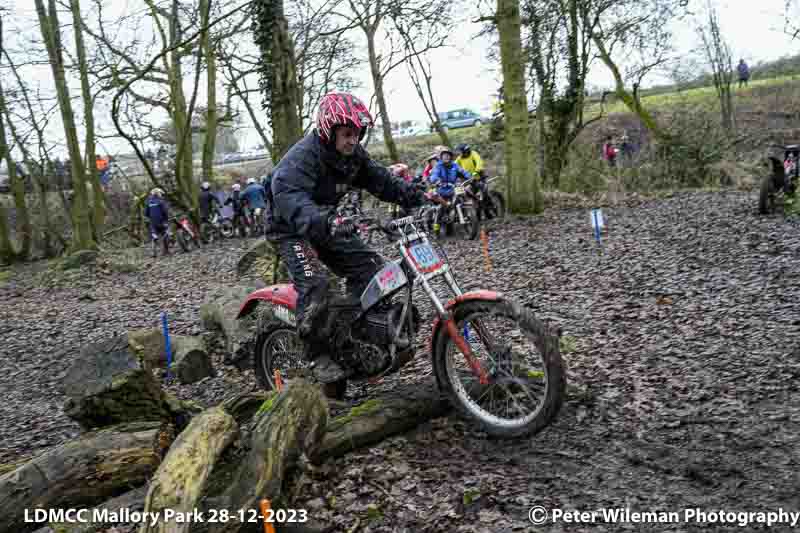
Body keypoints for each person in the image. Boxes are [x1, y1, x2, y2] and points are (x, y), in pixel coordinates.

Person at [268, 91, 426, 384]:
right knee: (316, 285)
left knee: (370, 269)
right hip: (291, 228)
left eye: (358, 133)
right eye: (346, 133)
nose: (353, 140)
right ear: (329, 130)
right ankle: (318, 355)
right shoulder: (301, 159)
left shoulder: (353, 156)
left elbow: (381, 180)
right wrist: (326, 221)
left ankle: (350, 334)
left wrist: (417, 194)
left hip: (329, 222)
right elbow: (290, 199)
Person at [144, 188, 170, 256]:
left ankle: (153, 253)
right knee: (165, 234)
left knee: (154, 236)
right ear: (159, 193)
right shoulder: (161, 201)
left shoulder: (148, 202)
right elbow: (165, 211)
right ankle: (166, 251)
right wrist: (166, 220)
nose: (161, 195)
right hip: (161, 221)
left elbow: (146, 213)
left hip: (152, 222)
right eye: (161, 193)